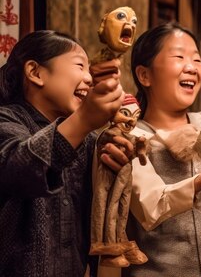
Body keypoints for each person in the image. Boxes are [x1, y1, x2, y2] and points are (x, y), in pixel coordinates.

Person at [108, 22, 201, 276]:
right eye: (179, 57)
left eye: (196, 60)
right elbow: (149, 207)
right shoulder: (130, 136)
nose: (192, 67)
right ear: (145, 76)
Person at [0, 30, 124, 276]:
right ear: (36, 72)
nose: (89, 78)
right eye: (80, 66)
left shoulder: (88, 139)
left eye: (89, 69)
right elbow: (19, 167)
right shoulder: (6, 119)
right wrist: (83, 120)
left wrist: (114, 161)